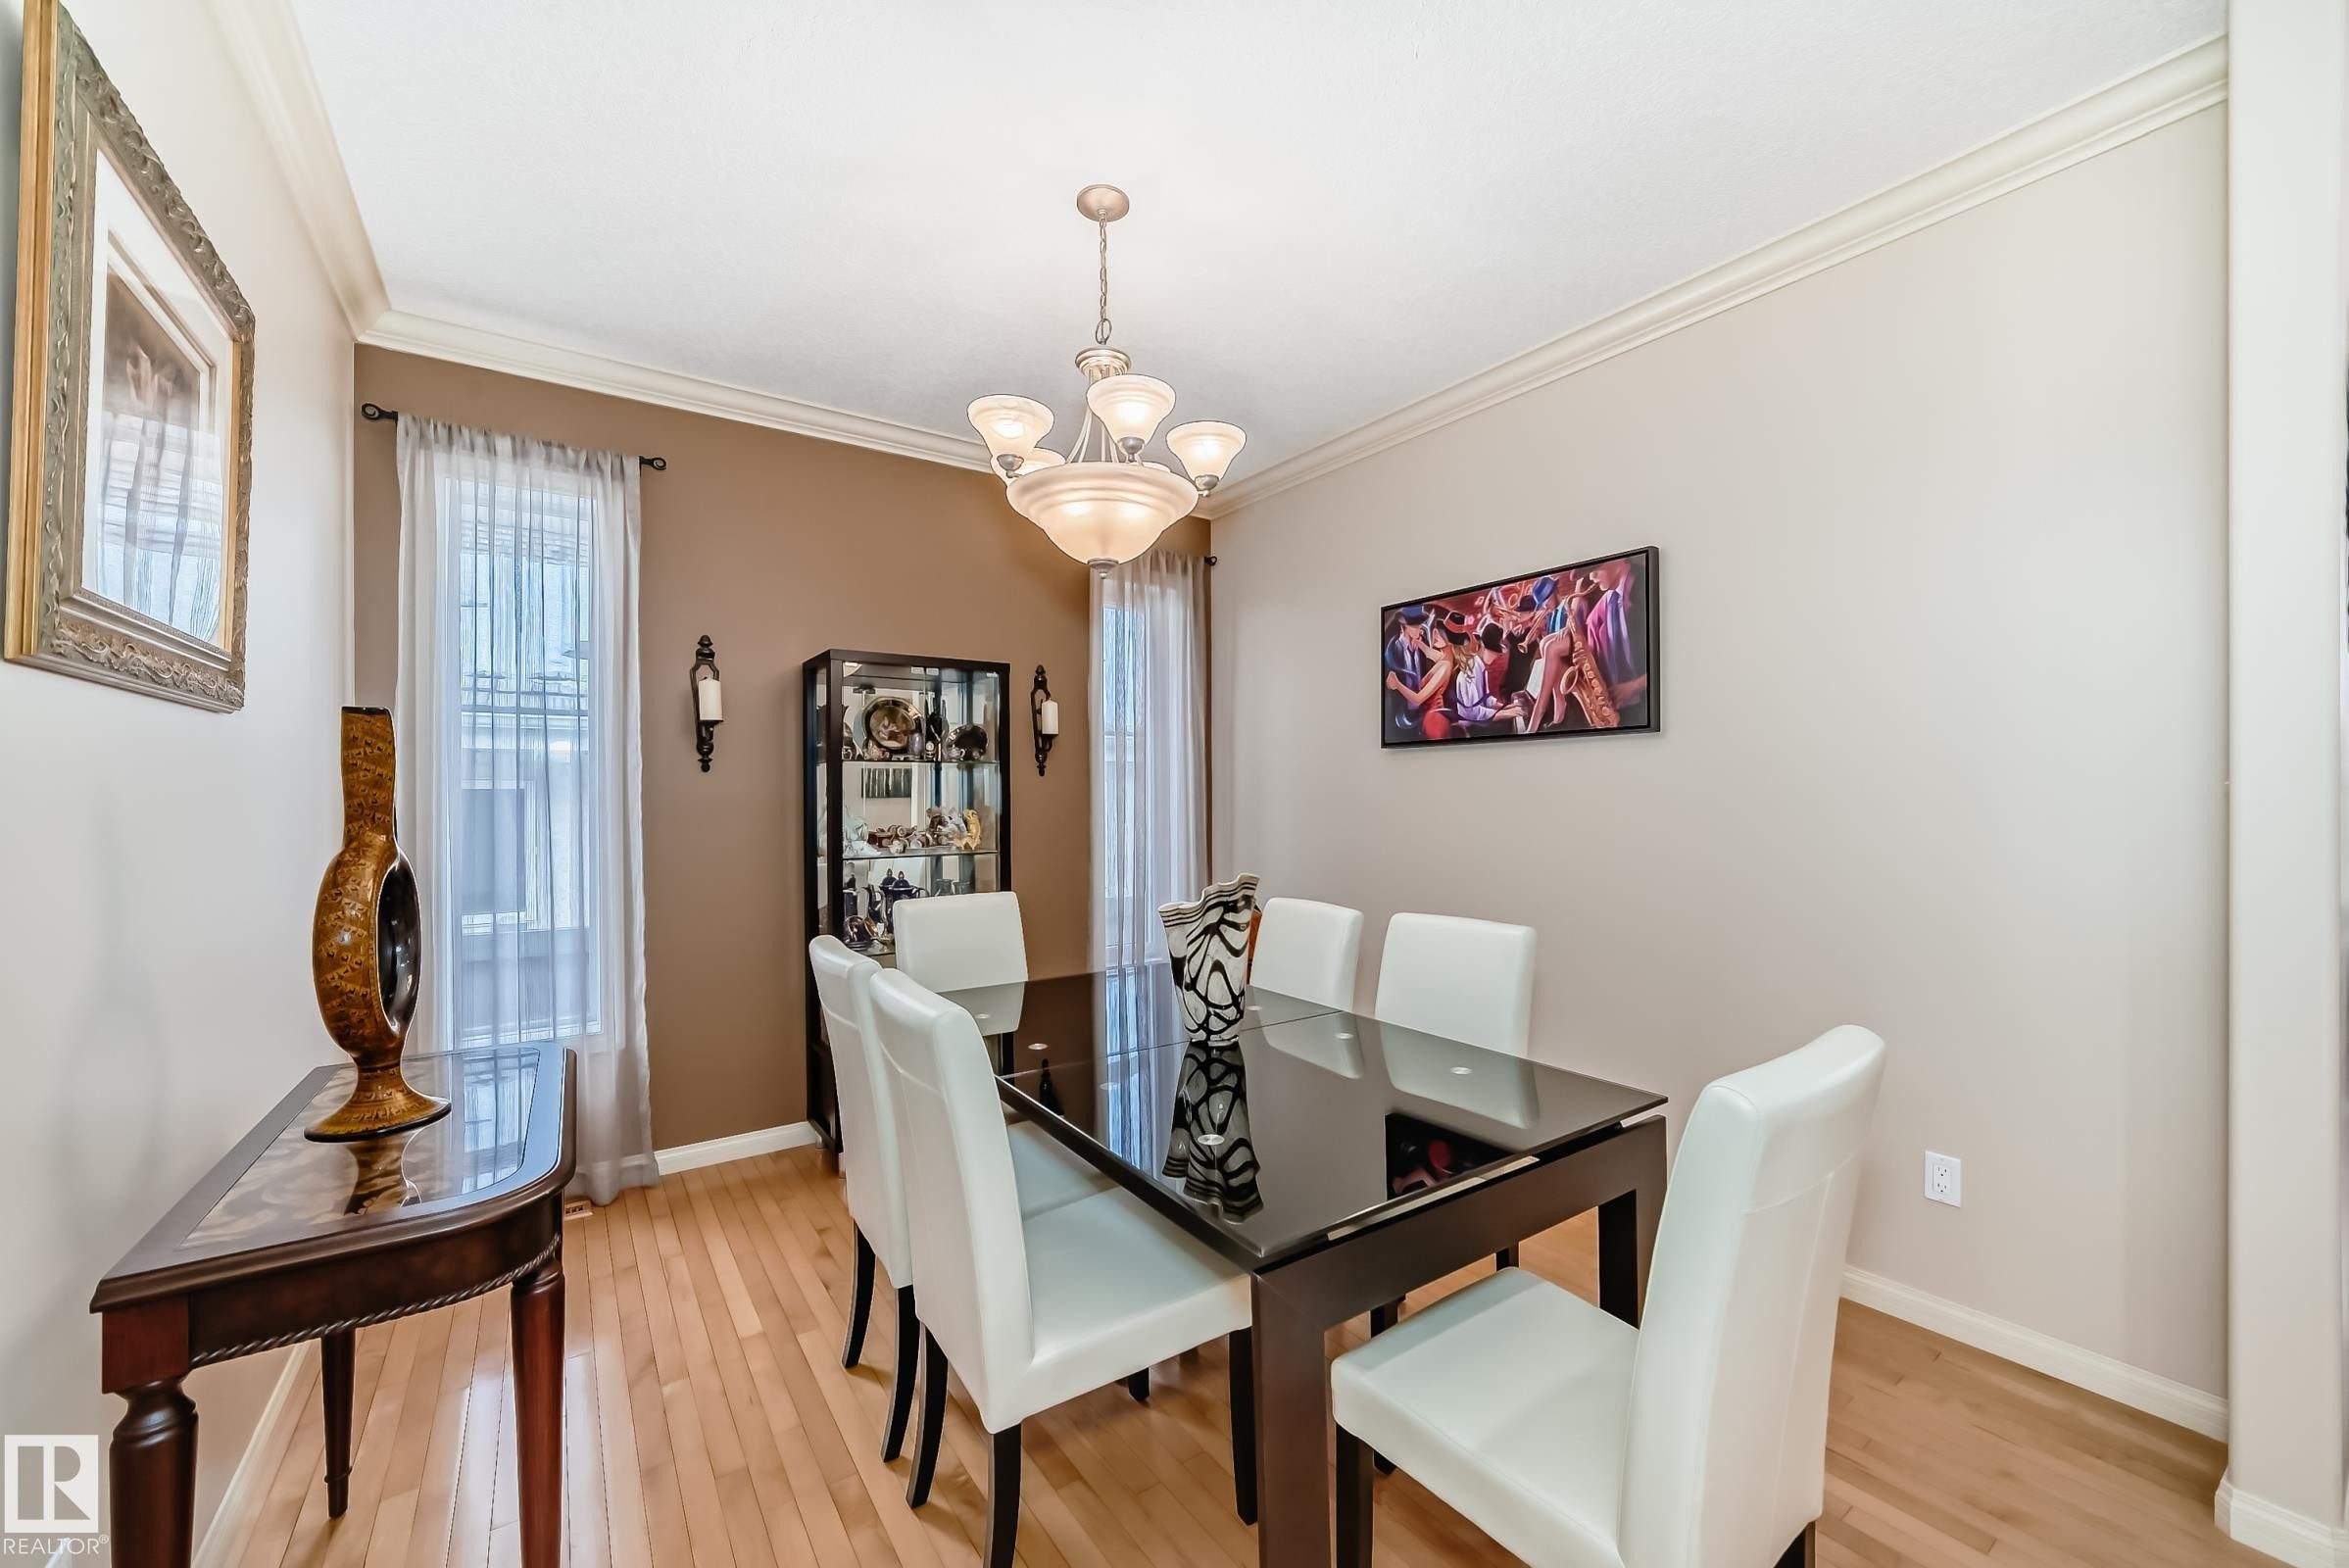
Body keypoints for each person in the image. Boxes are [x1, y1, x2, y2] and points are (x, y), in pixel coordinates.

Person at [1585, 557, 1650, 722]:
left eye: (1595, 569)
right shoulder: (1606, 603)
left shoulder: (1644, 586)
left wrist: (1635, 686)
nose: (1592, 577)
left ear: (1617, 561)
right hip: (1623, 711)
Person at [1383, 606, 1433, 735]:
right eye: (1414, 626)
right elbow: (1389, 685)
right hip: (1401, 716)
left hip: (1422, 715)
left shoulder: (1423, 646)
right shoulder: (1393, 650)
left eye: (1419, 625)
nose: (1418, 629)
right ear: (1403, 626)